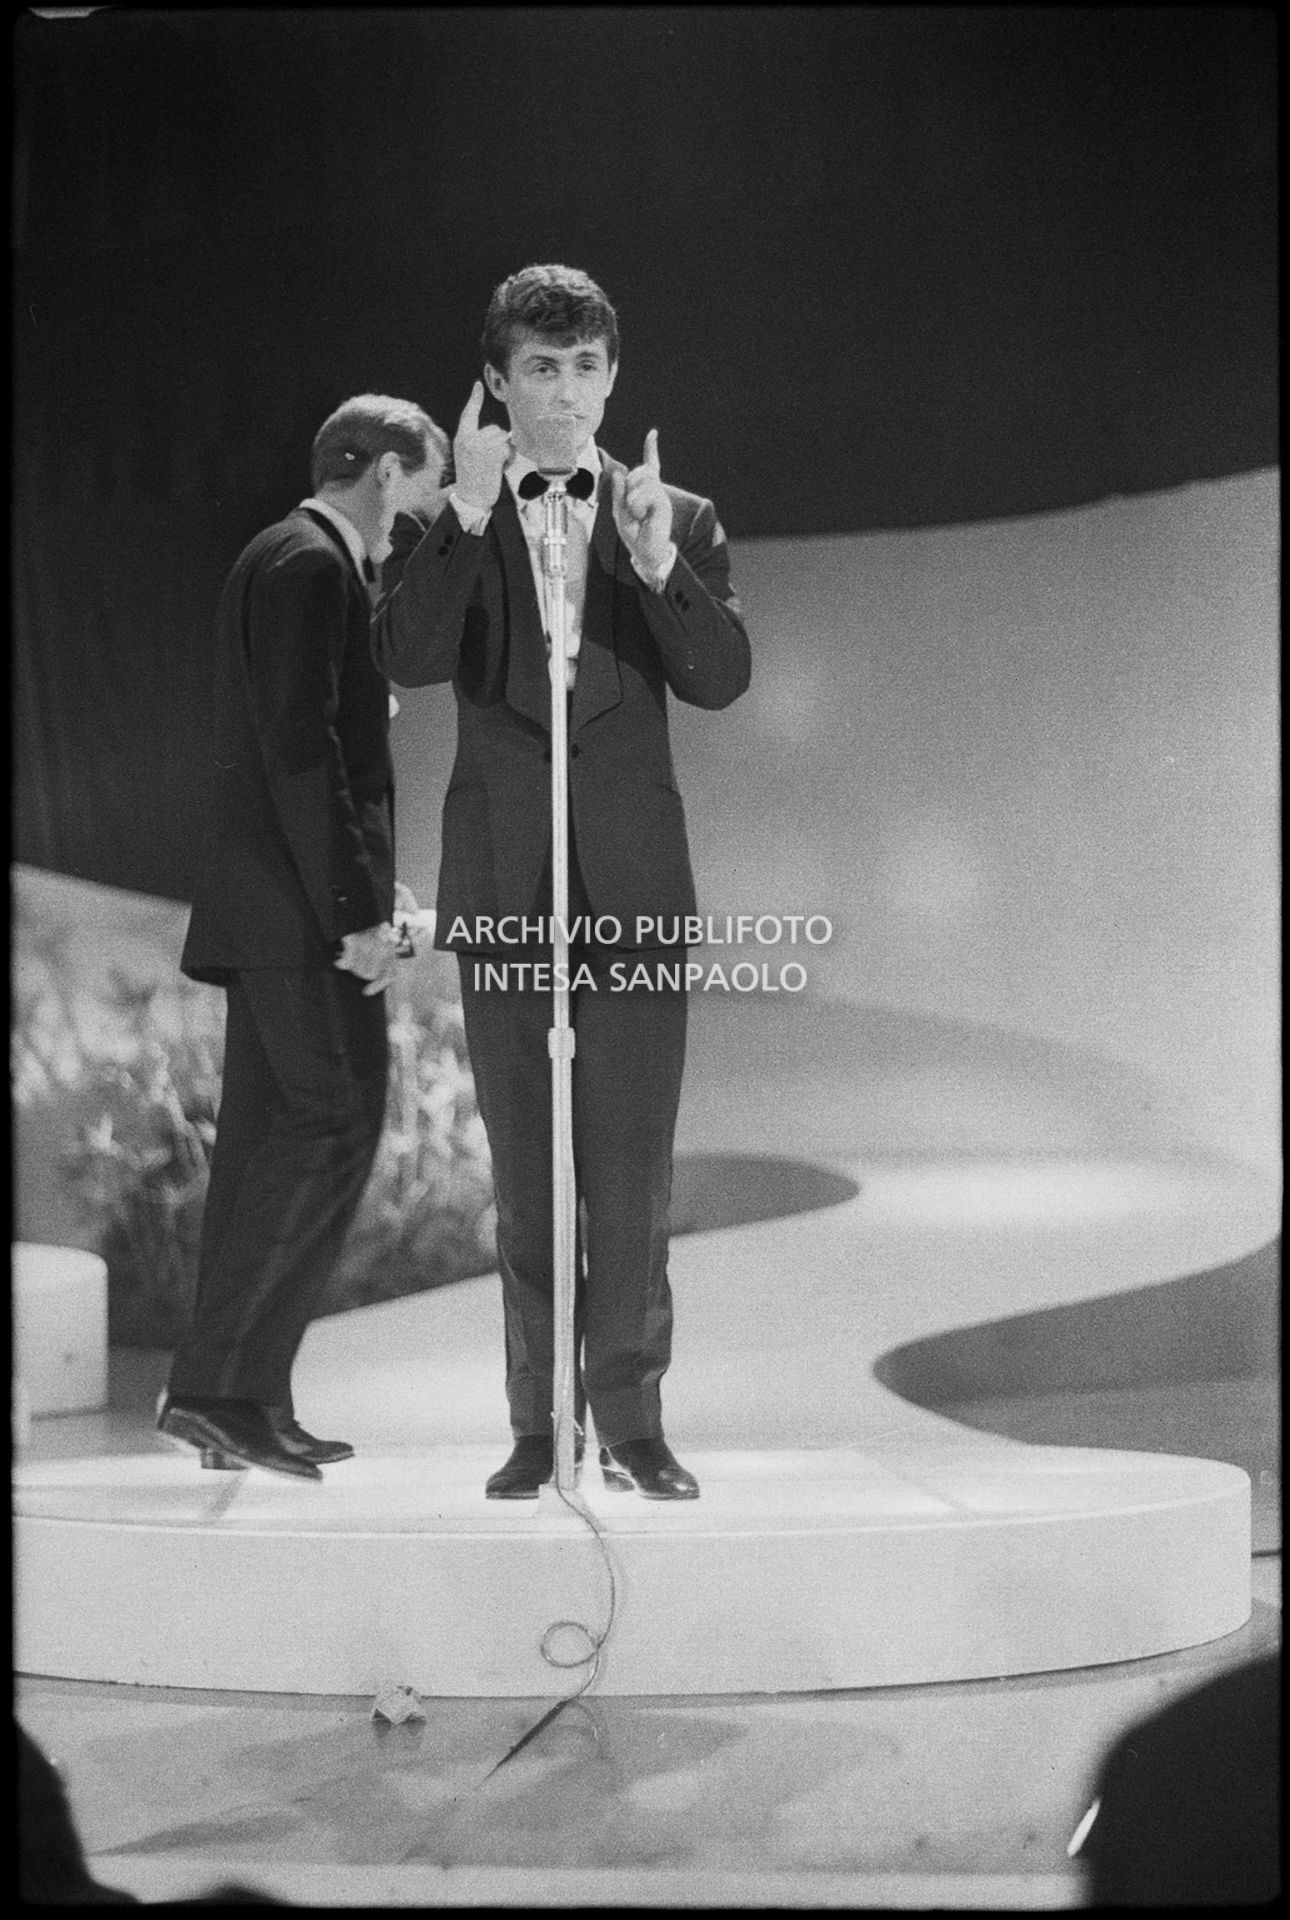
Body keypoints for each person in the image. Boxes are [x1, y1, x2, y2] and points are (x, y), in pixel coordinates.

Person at [373, 265, 750, 1500]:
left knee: (632, 1168)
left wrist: (652, 567)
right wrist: (470, 517)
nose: (568, 396)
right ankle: (540, 1426)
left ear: (613, 375)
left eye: (588, 368)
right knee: (530, 1171)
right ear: (496, 381)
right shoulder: (451, 517)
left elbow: (721, 676)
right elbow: (411, 656)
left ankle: (633, 1424)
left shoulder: (676, 516)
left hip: (635, 881)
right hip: (503, 878)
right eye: (542, 369)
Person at [158, 395, 449, 1479]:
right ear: (381, 470)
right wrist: (361, 910)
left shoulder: (280, 557)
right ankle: (212, 1388)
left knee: (267, 1142)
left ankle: (242, 1400)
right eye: (420, 486)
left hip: (275, 907)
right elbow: (301, 753)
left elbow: (302, 745)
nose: (417, 512)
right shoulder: (313, 567)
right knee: (334, 1124)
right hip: (300, 916)